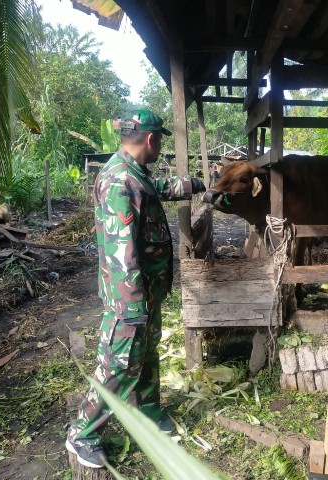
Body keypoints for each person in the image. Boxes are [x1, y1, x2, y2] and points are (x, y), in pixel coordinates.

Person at [66, 109, 206, 469]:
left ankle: (147, 411)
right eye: (160, 138)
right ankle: (82, 433)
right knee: (118, 365)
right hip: (131, 299)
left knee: (147, 354)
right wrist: (132, 308)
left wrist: (200, 185)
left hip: (148, 293)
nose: (160, 143)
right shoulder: (118, 182)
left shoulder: (134, 173)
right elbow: (120, 252)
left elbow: (157, 188)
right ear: (151, 139)